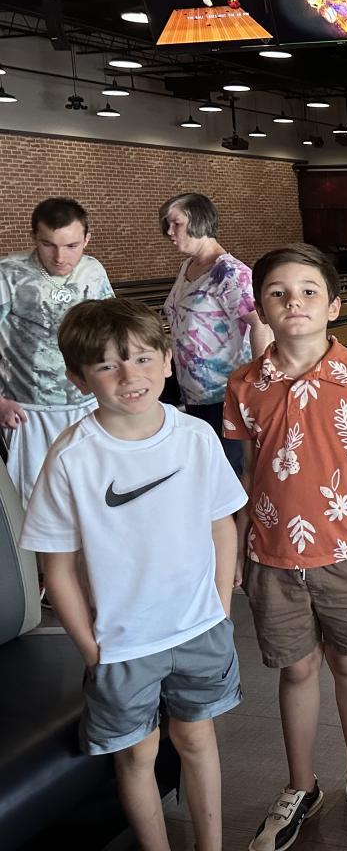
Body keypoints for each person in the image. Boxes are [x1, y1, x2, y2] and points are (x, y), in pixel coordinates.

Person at [21, 298, 245, 851]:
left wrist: (219, 606)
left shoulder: (195, 437)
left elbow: (222, 526)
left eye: (143, 359)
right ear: (79, 378)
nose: (130, 377)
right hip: (122, 644)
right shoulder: (72, 457)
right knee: (137, 753)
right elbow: (56, 568)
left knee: (197, 739)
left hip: (199, 627)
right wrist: (91, 647)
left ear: (168, 360)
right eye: (107, 366)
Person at [222, 243, 347, 850]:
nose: (293, 302)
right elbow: (250, 472)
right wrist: (241, 547)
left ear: (334, 306)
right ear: (261, 308)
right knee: (296, 670)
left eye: (307, 291)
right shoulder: (245, 384)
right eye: (278, 293)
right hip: (273, 555)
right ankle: (302, 784)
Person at [0, 197, 114, 505]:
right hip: (28, 412)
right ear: (34, 238)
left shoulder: (93, 270)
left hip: (88, 403)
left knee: (91, 495)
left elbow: (110, 331)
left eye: (72, 246)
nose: (60, 257)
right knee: (36, 502)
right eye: (48, 245)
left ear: (86, 239)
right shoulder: (8, 273)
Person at [160, 192, 272, 473]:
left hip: (224, 395)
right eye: (167, 225)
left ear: (198, 221)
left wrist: (260, 383)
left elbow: (261, 323)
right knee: (205, 470)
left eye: (176, 224)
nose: (169, 232)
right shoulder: (188, 266)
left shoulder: (229, 272)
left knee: (227, 472)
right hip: (193, 391)